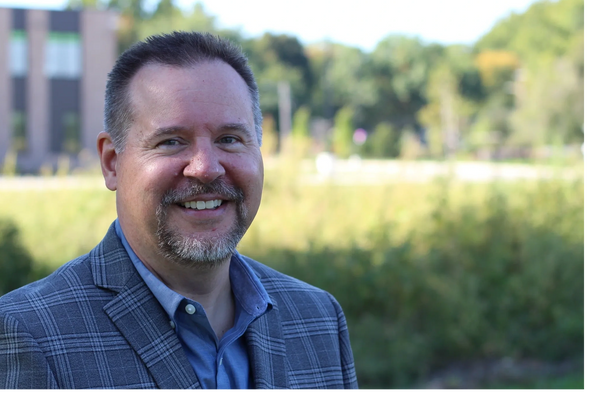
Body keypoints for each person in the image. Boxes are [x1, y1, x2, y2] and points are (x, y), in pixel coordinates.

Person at [0, 31, 358, 392]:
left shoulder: (318, 318)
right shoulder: (30, 334)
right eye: (171, 141)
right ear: (112, 163)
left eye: (229, 139)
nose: (206, 168)